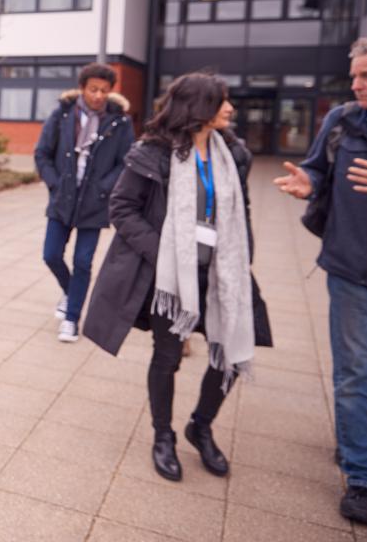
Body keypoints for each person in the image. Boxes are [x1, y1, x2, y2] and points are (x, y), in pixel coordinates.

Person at [84, 73, 270, 483]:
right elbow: (122, 209)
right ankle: (163, 436)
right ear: (198, 107)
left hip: (224, 273)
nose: (230, 109)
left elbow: (243, 210)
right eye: (222, 102)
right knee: (167, 358)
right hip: (170, 279)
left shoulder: (233, 153)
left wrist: (244, 259)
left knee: (232, 355)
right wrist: (164, 255)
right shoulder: (152, 152)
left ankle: (200, 426)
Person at [274, 37, 367, 523]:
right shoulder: (342, 120)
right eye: (354, 75)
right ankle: (360, 474)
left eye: (365, 76)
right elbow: (315, 169)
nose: (355, 84)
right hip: (350, 269)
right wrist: (308, 182)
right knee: (354, 372)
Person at [33, 62, 134, 343]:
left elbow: (125, 162)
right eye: (93, 90)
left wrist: (105, 188)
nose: (99, 96)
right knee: (51, 255)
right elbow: (42, 153)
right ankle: (71, 292)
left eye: (104, 90)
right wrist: (54, 183)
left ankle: (72, 318)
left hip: (95, 204)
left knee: (82, 262)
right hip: (62, 199)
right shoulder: (63, 114)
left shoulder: (120, 122)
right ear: (82, 89)